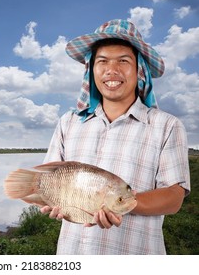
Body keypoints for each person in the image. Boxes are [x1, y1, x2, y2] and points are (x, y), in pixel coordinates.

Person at [41, 19, 191, 254]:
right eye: (102, 61)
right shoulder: (68, 123)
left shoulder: (167, 126)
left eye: (123, 61)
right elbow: (50, 177)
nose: (112, 70)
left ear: (140, 70)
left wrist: (117, 203)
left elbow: (174, 198)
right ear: (91, 69)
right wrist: (55, 202)